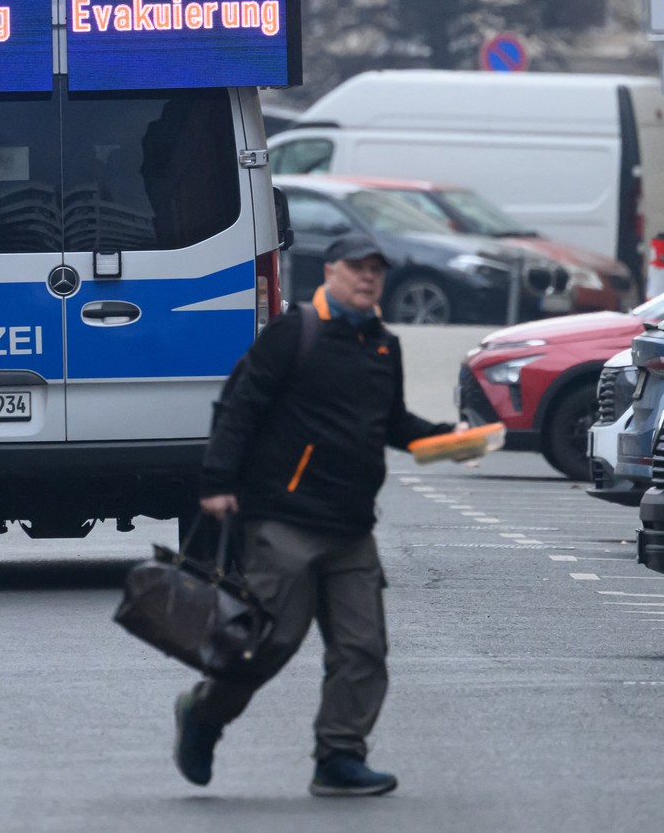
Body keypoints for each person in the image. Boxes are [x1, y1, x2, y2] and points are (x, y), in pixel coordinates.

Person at [172, 233, 453, 797]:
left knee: (363, 648)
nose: (368, 278)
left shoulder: (383, 346)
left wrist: (450, 440)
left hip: (351, 528)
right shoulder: (293, 332)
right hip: (283, 519)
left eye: (376, 270)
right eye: (357, 268)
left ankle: (339, 757)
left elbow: (393, 423)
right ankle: (203, 713)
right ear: (330, 271)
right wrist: (217, 481)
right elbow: (240, 405)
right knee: (267, 643)